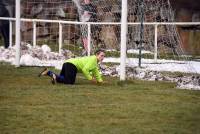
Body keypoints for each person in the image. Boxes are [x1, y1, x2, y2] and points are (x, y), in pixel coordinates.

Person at [38, 49, 105, 85]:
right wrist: (90, 79)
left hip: (67, 63)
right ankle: (49, 73)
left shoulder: (94, 63)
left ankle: (50, 74)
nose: (103, 57)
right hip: (72, 65)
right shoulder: (93, 59)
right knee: (70, 82)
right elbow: (85, 70)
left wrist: (100, 81)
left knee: (62, 79)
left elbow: (96, 72)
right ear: (96, 55)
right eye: (101, 55)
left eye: (104, 56)